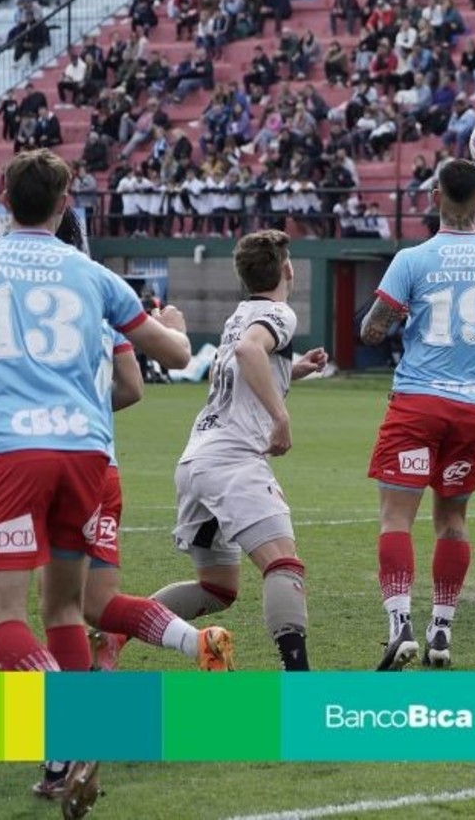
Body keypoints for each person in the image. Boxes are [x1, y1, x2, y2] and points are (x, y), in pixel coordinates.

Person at [0, 151, 192, 819]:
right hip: (86, 457)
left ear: (3, 200)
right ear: (66, 201)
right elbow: (174, 356)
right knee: (66, 610)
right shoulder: (94, 274)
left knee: (0, 619)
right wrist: (178, 328)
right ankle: (65, 753)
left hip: (13, 457)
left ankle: (72, 727)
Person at [357, 159, 475, 670]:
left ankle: (400, 625)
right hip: (471, 409)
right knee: (453, 521)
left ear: (434, 196)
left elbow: (371, 331)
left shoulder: (412, 259)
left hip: (417, 403)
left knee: (396, 517)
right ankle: (441, 630)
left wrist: (399, 315)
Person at [157, 230, 328, 674]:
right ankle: (299, 682)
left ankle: (115, 631)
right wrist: (280, 417)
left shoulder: (240, 314)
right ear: (288, 269)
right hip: (232, 460)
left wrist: (294, 369)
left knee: (217, 589)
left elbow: (244, 363)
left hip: (197, 459)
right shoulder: (278, 312)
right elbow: (250, 350)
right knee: (283, 564)